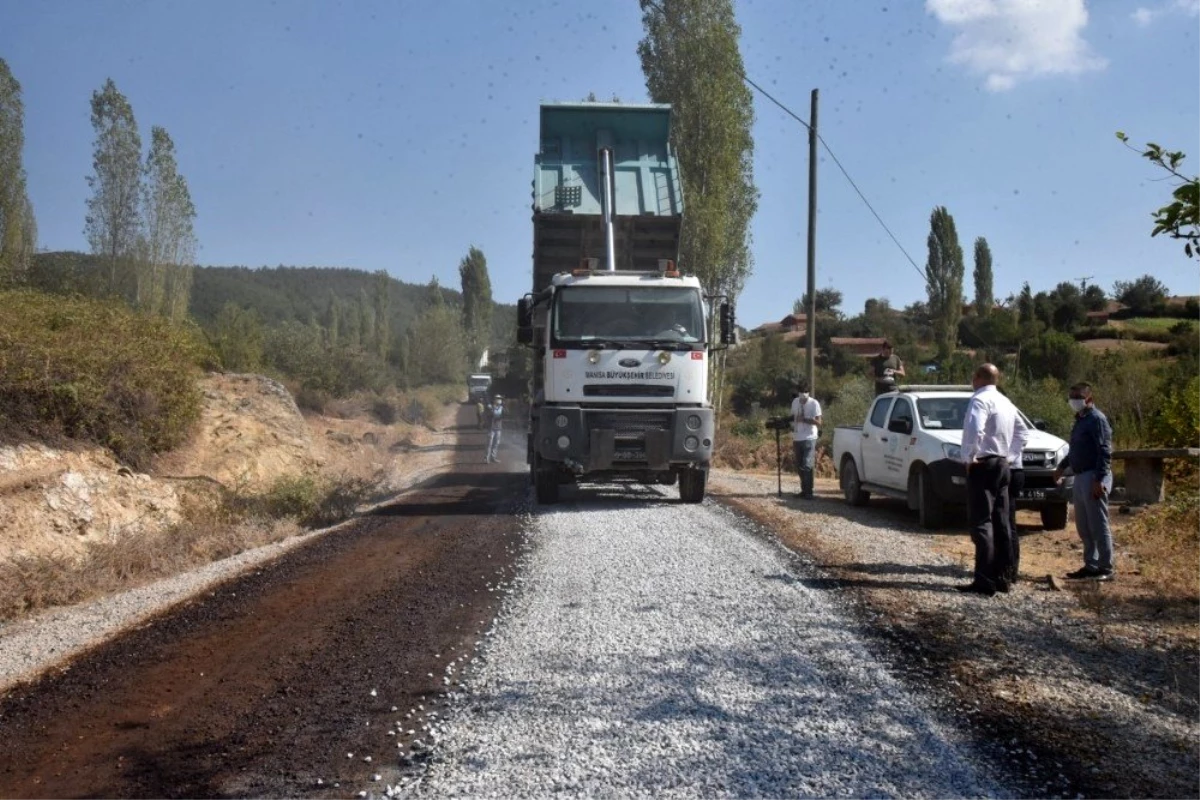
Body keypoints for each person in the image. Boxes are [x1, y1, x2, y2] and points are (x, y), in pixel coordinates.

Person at [958, 364, 1027, 596]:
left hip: (984, 464)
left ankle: (984, 580)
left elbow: (974, 429)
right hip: (1003, 465)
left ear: (978, 377)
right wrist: (1011, 456)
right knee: (1002, 522)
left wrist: (969, 457)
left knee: (982, 522)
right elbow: (1022, 432)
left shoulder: (979, 400)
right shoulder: (1005, 401)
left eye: (973, 376)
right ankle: (1003, 577)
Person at [1056, 382, 1114, 581]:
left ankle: (1105, 568)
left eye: (1078, 397)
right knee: (1084, 526)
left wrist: (1099, 479)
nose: (1074, 400)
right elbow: (1075, 450)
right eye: (1071, 396)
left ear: (1089, 399)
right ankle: (1091, 565)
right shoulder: (1080, 420)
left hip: (1093, 475)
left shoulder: (1097, 419)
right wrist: (1061, 467)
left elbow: (1104, 450)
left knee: (1098, 524)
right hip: (1080, 476)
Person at [790, 379, 822, 499]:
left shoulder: (814, 403)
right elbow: (792, 417)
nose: (803, 393)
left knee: (807, 464)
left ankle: (809, 492)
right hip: (797, 437)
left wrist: (805, 419)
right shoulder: (795, 402)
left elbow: (819, 422)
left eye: (806, 391)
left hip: (809, 437)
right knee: (799, 465)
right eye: (802, 391)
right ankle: (804, 490)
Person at [485, 395, 504, 464]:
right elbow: (488, 415)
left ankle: (493, 457)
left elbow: (502, 415)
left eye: (500, 398)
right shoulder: (490, 407)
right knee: (489, 444)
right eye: (498, 398)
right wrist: (490, 410)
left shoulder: (501, 408)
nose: (499, 400)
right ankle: (486, 458)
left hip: (498, 428)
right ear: (494, 399)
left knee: (496, 444)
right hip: (491, 428)